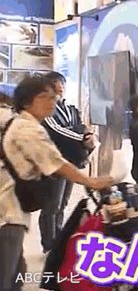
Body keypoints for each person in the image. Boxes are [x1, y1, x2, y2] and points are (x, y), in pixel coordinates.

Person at [0, 75, 113, 291]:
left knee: (15, 274)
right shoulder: (28, 129)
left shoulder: (22, 123)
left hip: (12, 211)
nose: (52, 101)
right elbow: (55, 162)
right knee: (7, 279)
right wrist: (90, 180)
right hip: (8, 214)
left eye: (54, 96)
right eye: (44, 97)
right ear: (26, 102)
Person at [40, 71, 96, 254]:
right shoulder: (46, 108)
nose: (61, 87)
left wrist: (87, 134)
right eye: (56, 83)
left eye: (62, 83)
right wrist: (82, 138)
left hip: (71, 161)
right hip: (54, 162)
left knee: (63, 203)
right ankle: (49, 243)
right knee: (52, 204)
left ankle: (58, 239)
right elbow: (56, 131)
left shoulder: (70, 108)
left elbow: (79, 125)